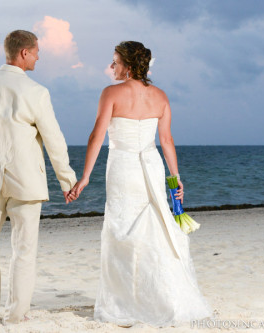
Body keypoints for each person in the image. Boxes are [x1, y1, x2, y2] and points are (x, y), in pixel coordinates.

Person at [70, 41, 212, 327]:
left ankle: (126, 301)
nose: (111, 67)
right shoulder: (160, 96)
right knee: (154, 227)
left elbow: (96, 137)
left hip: (123, 165)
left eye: (115, 62)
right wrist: (175, 177)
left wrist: (85, 176)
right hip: (151, 164)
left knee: (122, 229)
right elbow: (167, 140)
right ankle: (159, 296)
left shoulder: (111, 93)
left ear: (129, 66)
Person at [0, 30, 77, 324]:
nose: (39, 56)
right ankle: (15, 314)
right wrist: (67, 180)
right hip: (26, 179)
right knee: (24, 249)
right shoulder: (36, 92)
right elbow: (54, 139)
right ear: (24, 53)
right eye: (37, 50)